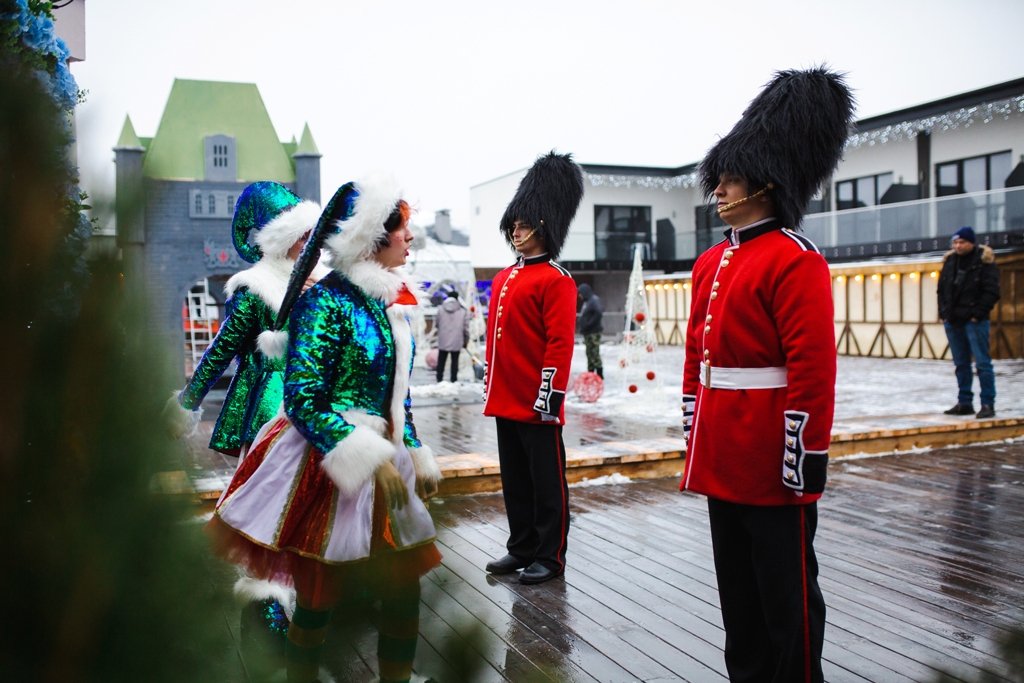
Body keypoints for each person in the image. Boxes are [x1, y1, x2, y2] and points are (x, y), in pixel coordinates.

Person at [208, 174, 442, 683]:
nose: (410, 239)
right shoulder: (327, 302)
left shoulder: (390, 307)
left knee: (403, 587)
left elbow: (397, 394)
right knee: (319, 597)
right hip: (329, 469)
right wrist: (366, 456)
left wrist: (414, 450)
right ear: (371, 238)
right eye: (403, 230)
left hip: (385, 463)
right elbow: (303, 400)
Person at [681, 68, 854, 683]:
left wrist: (802, 451)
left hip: (770, 447)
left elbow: (811, 365)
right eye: (720, 179)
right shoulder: (712, 260)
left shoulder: (795, 258)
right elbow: (696, 352)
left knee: (786, 594)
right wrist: (693, 421)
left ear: (766, 183)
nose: (720, 191)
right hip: (723, 446)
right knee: (737, 594)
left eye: (730, 180)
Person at [164, 180, 323, 655]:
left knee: (301, 509)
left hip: (308, 413)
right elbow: (220, 351)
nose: (308, 243)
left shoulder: (316, 281)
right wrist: (188, 401)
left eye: (309, 235)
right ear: (277, 240)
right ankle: (266, 610)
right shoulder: (253, 289)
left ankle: (297, 605)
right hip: (267, 414)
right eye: (299, 237)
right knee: (264, 509)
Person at [483, 152, 584, 585]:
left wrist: (548, 395)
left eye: (523, 225)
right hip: (506, 397)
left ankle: (550, 554)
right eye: (514, 225)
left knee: (547, 485)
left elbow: (559, 345)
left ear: (545, 226)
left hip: (537, 400)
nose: (516, 232)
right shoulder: (505, 278)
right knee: (517, 482)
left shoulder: (557, 280)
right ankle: (520, 546)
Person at [937, 226, 1000, 419]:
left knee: (982, 364)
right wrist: (944, 314)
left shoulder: (984, 262)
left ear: (972, 242)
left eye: (962, 242)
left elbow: (992, 291)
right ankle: (965, 402)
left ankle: (987, 403)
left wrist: (977, 314)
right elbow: (941, 290)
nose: (958, 245)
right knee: (961, 364)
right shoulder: (950, 262)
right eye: (955, 242)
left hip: (975, 321)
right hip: (953, 320)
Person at [434, 290, 469, 382]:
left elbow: (436, 324)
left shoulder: (440, 309)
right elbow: (466, 329)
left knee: (441, 360)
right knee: (455, 361)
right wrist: (466, 341)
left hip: (443, 339)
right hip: (457, 340)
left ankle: (439, 378)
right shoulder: (462, 311)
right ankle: (453, 379)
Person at [576, 283, 604, 378]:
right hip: (588, 332)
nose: (579, 296)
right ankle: (591, 373)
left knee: (594, 353)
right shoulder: (587, 301)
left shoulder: (593, 300)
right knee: (589, 353)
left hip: (593, 332)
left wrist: (589, 324)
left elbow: (598, 313)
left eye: (580, 293)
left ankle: (599, 375)